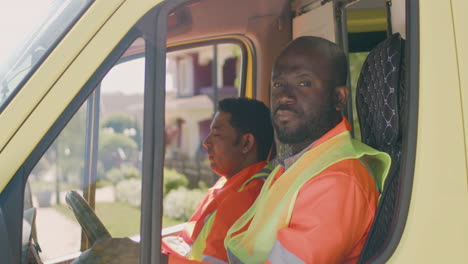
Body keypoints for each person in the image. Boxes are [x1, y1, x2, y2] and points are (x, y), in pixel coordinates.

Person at [224, 36, 391, 263]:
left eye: (304, 83)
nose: (284, 96)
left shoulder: (338, 180)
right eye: (278, 84)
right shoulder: (299, 165)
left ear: (338, 98)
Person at [74, 97, 274, 264]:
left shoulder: (248, 197)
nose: (206, 143)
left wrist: (144, 257)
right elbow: (188, 244)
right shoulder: (229, 183)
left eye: (217, 134)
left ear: (246, 143)